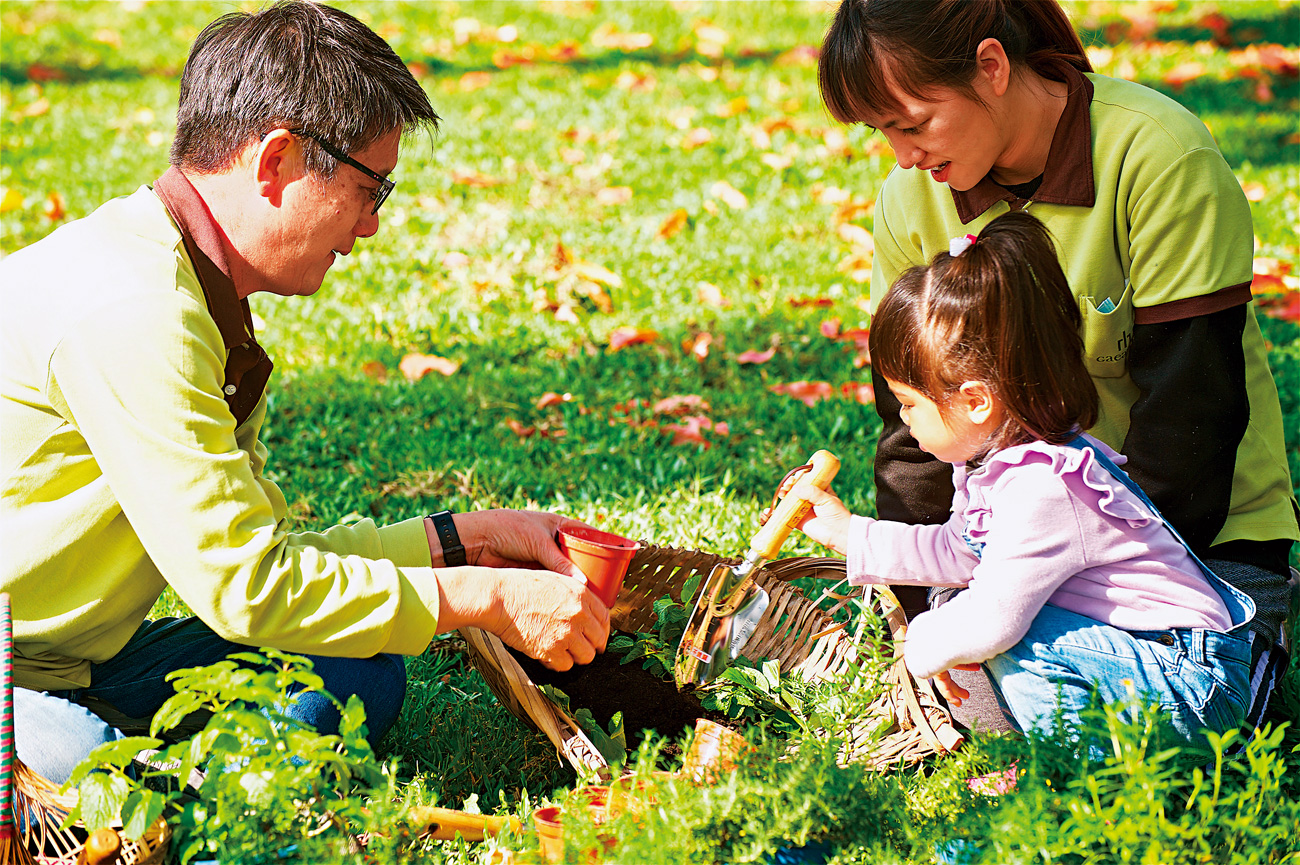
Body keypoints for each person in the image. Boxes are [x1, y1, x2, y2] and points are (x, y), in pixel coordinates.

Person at [0, 0, 610, 785]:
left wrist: (466, 537)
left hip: (72, 663)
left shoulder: (196, 287)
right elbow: (250, 589)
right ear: (278, 159)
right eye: (372, 189)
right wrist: (481, 594)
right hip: (20, 669)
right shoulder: (137, 310)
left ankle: (149, 775)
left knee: (357, 670)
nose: (370, 227)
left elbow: (267, 563)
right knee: (92, 786)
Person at [816, 0, 1298, 732]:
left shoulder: (1157, 156)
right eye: (882, 132)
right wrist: (917, 619)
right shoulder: (908, 202)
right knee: (977, 641)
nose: (902, 154)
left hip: (1194, 557)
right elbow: (914, 429)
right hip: (1016, 542)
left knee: (1003, 640)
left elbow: (1192, 422)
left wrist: (1019, 593)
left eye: (913, 123)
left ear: (991, 66)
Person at [783, 212, 1256, 741]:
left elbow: (994, 619)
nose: (904, 419)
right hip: (1143, 661)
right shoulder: (1000, 463)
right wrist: (847, 534)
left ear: (977, 401)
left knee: (1003, 631)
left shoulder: (1043, 487)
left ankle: (1074, 786)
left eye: (909, 404)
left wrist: (921, 647)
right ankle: (1070, 770)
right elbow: (961, 553)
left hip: (1193, 681)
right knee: (973, 614)